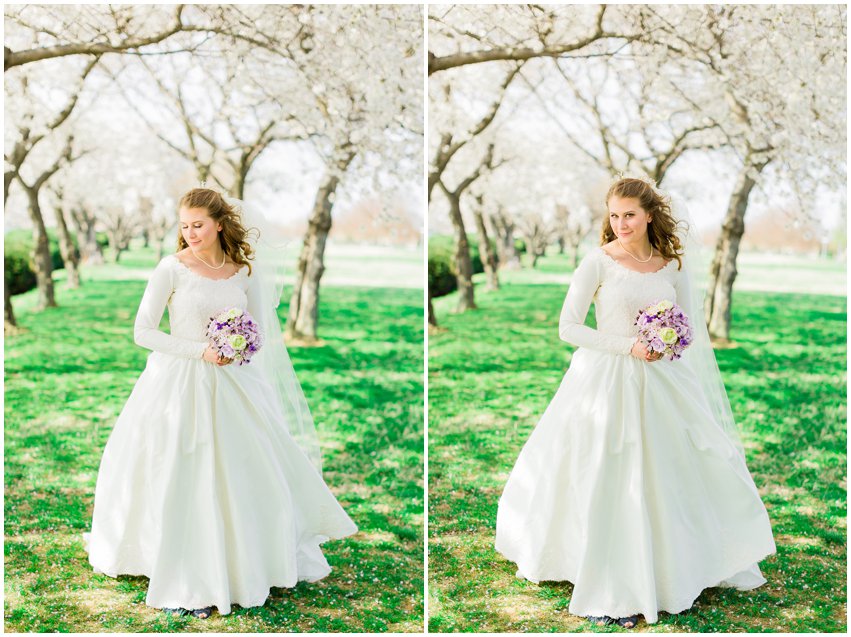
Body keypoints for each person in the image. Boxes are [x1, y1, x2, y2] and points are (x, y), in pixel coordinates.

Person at [494, 177, 776, 629]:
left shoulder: (672, 266)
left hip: (664, 382)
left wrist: (670, 342)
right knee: (608, 471)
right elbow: (568, 327)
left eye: (629, 215)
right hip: (605, 380)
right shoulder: (598, 263)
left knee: (669, 472)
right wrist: (628, 346)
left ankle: (675, 565)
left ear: (649, 215)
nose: (621, 224)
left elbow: (688, 327)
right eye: (614, 215)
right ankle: (608, 576)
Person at [84, 188, 357, 618]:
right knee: (183, 469)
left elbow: (260, 329)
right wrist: (201, 352)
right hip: (178, 383)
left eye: (198, 224)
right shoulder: (171, 269)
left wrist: (240, 345)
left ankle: (248, 559)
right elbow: (143, 332)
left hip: (234, 382)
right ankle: (186, 570)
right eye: (184, 225)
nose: (190, 233)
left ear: (218, 224)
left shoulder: (242, 272)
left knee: (245, 469)